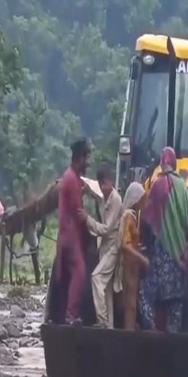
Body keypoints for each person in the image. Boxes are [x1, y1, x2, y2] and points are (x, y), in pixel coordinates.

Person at [139, 147, 188, 332]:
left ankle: (151, 327)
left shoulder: (158, 184)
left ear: (162, 162)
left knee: (146, 292)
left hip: (162, 251)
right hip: (179, 252)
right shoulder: (183, 186)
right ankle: (173, 335)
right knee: (176, 299)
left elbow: (148, 218)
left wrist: (144, 243)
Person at [78, 164, 123, 328]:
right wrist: (84, 187)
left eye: (105, 183)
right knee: (107, 289)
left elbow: (106, 229)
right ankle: (109, 327)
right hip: (105, 248)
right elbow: (94, 191)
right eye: (101, 184)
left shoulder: (116, 200)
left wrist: (87, 219)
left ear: (111, 182)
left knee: (96, 278)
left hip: (112, 248)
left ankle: (102, 321)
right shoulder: (105, 196)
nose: (103, 187)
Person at [53, 138, 92, 326]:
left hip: (68, 234)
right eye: (87, 158)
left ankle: (65, 314)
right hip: (70, 235)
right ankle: (70, 315)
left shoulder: (72, 178)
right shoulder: (71, 179)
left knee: (68, 275)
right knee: (80, 272)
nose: (88, 162)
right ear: (80, 158)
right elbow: (78, 213)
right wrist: (91, 231)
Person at [119, 182, 149, 331]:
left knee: (132, 302)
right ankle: (128, 332)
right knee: (130, 303)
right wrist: (141, 257)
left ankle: (129, 330)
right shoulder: (129, 216)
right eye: (142, 199)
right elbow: (124, 245)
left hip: (133, 265)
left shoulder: (133, 216)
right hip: (129, 265)